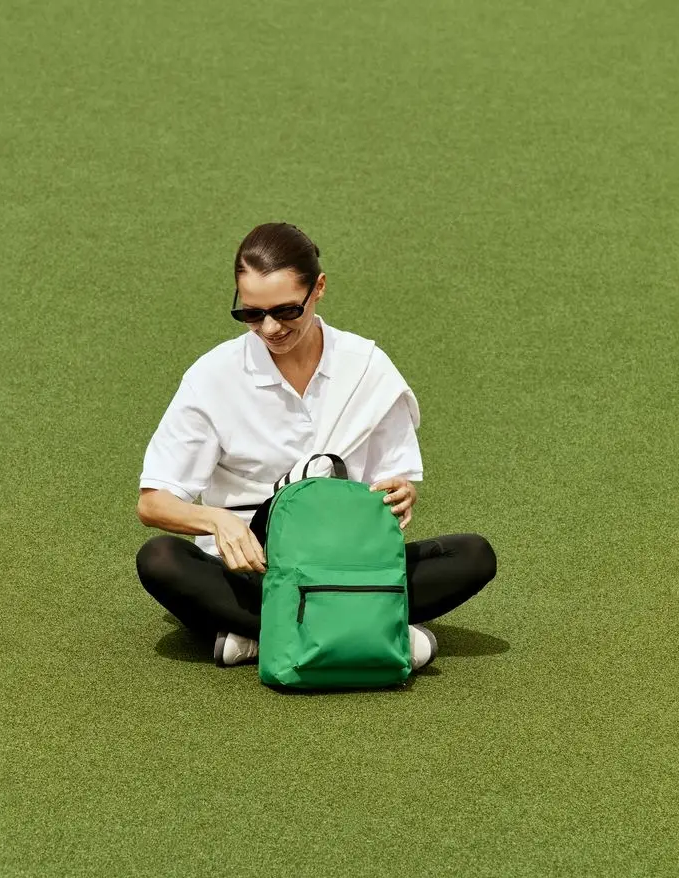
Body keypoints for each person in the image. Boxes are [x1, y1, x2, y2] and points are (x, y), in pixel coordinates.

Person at [136, 222, 497, 670]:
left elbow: (393, 480)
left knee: (473, 556)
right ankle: (368, 628)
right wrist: (216, 520)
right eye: (251, 314)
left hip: (346, 562)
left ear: (319, 288)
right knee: (160, 559)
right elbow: (153, 501)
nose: (270, 327)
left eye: (287, 310)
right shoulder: (212, 377)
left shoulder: (367, 367)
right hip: (253, 568)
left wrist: (403, 492)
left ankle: (262, 634)